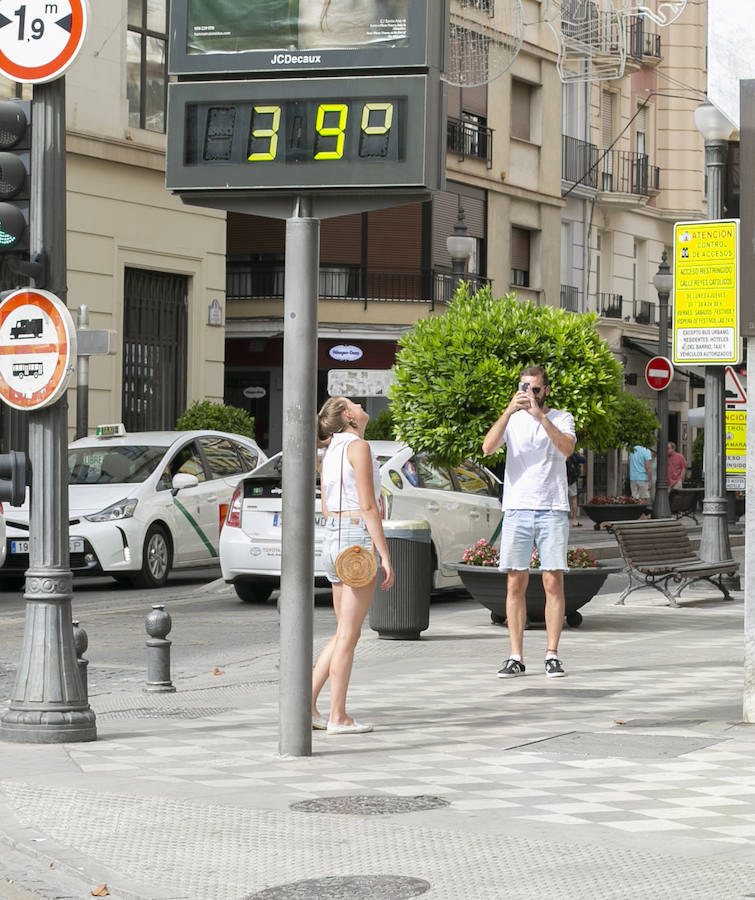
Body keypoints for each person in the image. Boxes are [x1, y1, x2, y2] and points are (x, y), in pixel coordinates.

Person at [482, 366, 576, 679]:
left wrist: (541, 417)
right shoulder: (512, 419)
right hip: (517, 509)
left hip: (551, 508)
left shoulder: (561, 417)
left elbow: (566, 449)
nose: (530, 395)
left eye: (536, 389)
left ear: (546, 390)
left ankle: (552, 654)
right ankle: (515, 655)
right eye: (525, 388)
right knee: (515, 583)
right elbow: (488, 447)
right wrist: (509, 411)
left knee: (553, 581)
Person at [312, 397, 394, 734]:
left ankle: (307, 705)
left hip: (332, 537)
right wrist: (384, 554)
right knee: (349, 634)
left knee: (342, 631)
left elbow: (329, 504)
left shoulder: (330, 451)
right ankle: (338, 716)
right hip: (355, 538)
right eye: (354, 404)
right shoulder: (358, 446)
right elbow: (368, 506)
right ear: (348, 416)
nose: (361, 405)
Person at [566, 450, 585, 526]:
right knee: (573, 499)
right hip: (571, 480)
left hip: (561, 480)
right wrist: (581, 455)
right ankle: (574, 520)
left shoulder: (559, 452)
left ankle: (563, 519)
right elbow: (583, 460)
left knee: (562, 500)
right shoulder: (572, 453)